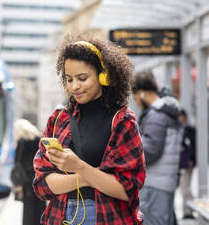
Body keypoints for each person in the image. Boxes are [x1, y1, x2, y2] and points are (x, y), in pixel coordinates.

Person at [33, 35, 146, 225]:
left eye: (82, 78)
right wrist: (88, 178)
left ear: (104, 76)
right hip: (61, 216)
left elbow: (128, 189)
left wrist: (78, 167)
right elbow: (42, 184)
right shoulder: (58, 118)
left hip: (106, 217)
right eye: (69, 80)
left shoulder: (121, 120)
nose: (75, 86)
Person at [132, 71, 183, 225]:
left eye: (135, 98)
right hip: (165, 180)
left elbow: (151, 150)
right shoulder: (168, 112)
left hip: (155, 183)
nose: (136, 102)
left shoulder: (156, 115)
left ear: (141, 94)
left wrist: (132, 143)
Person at [12, 119, 46, 225]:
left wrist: (18, 184)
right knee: (41, 207)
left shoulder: (21, 142)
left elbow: (18, 163)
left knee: (29, 209)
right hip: (40, 178)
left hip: (27, 181)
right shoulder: (39, 140)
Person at [179, 109, 196, 219]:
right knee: (184, 187)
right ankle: (188, 209)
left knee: (185, 187)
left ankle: (189, 210)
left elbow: (193, 146)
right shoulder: (179, 128)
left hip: (187, 161)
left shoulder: (189, 129)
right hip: (181, 161)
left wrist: (192, 159)